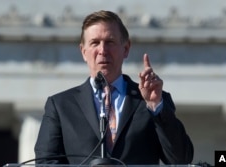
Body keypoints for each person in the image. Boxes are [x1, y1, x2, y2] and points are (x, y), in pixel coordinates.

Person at [34, 10, 194, 165]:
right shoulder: (61, 105)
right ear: (83, 52)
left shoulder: (154, 100)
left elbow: (181, 159)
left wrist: (156, 107)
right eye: (95, 43)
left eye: (110, 42)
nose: (102, 50)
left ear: (125, 49)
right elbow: (46, 163)